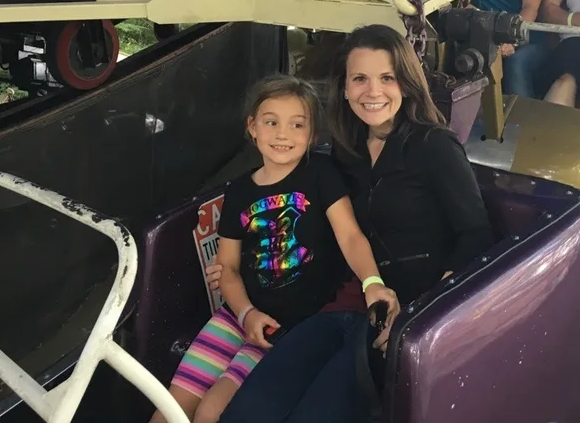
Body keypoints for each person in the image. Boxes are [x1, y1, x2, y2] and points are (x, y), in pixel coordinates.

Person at [220, 25, 495, 423]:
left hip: (405, 317)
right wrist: (235, 262)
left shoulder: (434, 146)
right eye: (360, 79)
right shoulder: (343, 153)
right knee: (247, 411)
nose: (373, 91)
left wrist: (421, 320)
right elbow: (311, 216)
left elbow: (476, 235)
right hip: (343, 305)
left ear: (405, 82)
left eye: (387, 78)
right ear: (345, 89)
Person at [151, 75, 398, 423]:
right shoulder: (239, 192)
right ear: (252, 127)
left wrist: (372, 282)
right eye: (271, 122)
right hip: (236, 316)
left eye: (297, 124)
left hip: (284, 331)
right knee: (169, 412)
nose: (283, 134)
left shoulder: (320, 175)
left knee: (210, 413)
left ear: (312, 135)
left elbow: (351, 237)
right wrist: (245, 313)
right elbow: (229, 268)